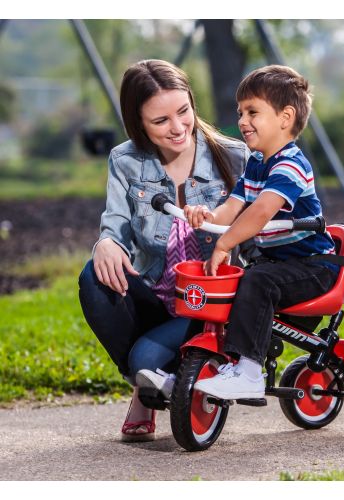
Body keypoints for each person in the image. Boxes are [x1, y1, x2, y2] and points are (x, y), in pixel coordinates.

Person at [78, 59, 249, 441]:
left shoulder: (235, 157)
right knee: (93, 275)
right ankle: (150, 377)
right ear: (139, 123)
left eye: (183, 111)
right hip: (154, 295)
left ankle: (146, 384)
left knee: (145, 360)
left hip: (205, 304)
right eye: (160, 121)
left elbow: (257, 235)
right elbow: (116, 222)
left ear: (191, 101)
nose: (177, 128)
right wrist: (107, 242)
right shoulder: (125, 161)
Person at [183, 65, 340, 400]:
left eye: (253, 111)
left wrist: (225, 242)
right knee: (236, 282)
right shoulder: (255, 162)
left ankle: (249, 372)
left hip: (314, 267)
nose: (242, 120)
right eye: (240, 112)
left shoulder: (291, 165)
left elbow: (261, 211)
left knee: (257, 281)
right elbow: (234, 207)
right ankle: (212, 362)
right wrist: (206, 217)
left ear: (285, 117)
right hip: (278, 265)